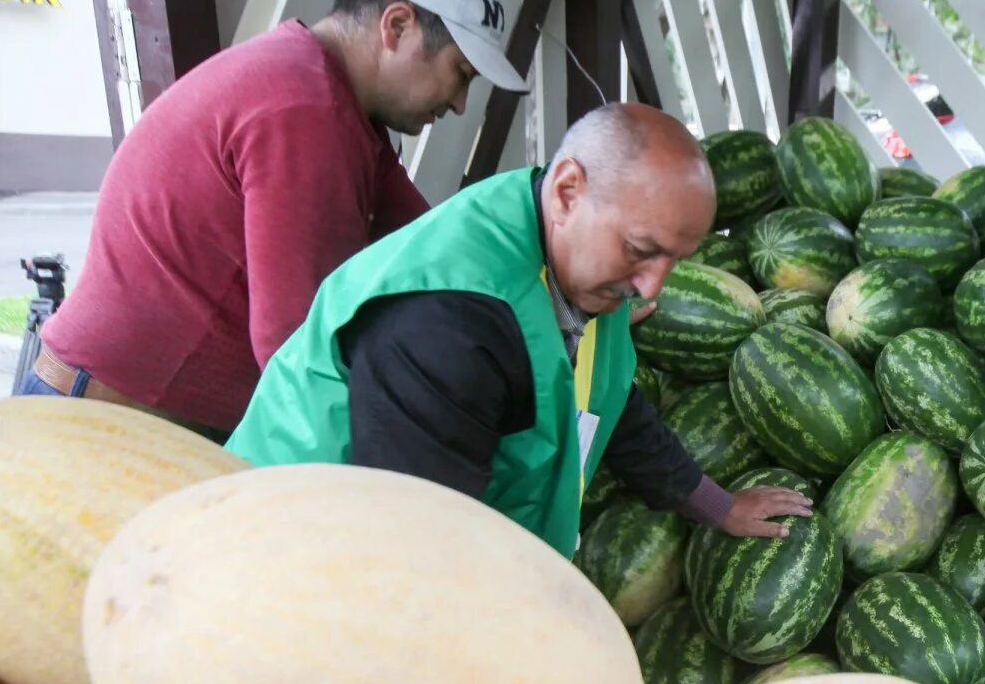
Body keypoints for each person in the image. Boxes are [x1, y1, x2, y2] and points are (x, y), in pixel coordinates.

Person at [225, 103, 812, 553]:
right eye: (642, 251)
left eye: (674, 261)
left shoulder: (579, 263)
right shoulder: (448, 328)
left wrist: (717, 505)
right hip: (295, 558)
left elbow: (606, 402)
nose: (654, 286)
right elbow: (422, 550)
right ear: (567, 192)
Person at [21, 0, 528, 436]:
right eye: (460, 74)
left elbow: (433, 249)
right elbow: (295, 352)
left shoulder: (337, 105)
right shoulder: (305, 110)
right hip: (104, 428)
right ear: (396, 26)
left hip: (140, 420)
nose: (460, 103)